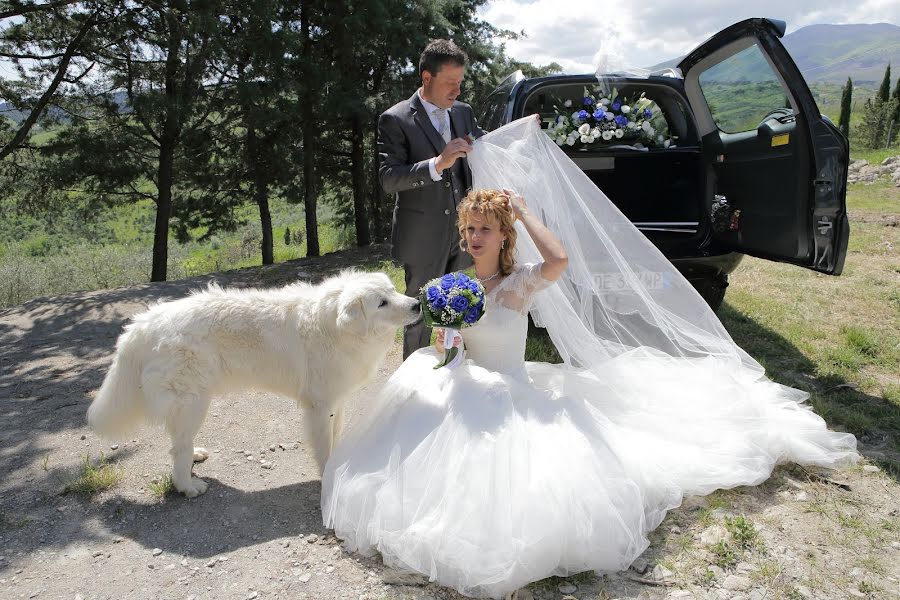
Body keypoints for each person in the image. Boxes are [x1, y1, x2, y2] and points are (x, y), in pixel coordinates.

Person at [322, 120, 858, 599]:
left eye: (484, 229)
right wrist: (448, 344)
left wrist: (524, 212)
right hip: (465, 383)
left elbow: (559, 259)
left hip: (511, 393)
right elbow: (445, 351)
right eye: (469, 230)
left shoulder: (519, 283)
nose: (473, 237)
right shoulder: (455, 287)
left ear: (502, 236)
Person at [378, 38, 485, 358]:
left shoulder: (463, 113)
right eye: (450, 83)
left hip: (462, 232)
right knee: (420, 313)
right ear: (427, 78)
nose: (458, 91)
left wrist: (521, 132)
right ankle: (413, 391)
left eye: (460, 82)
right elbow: (389, 178)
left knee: (454, 307)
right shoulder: (395, 118)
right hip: (422, 236)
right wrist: (437, 164)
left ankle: (449, 370)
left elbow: (485, 149)